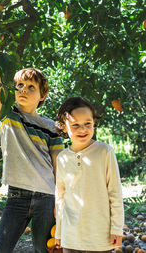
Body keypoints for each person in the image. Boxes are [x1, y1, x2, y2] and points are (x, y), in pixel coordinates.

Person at [0, 68, 64, 253]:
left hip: (46, 197)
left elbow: (58, 167)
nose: (23, 90)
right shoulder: (8, 114)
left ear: (42, 95)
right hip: (17, 197)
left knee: (44, 249)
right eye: (20, 85)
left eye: (31, 87)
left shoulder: (52, 127)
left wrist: (60, 203)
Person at [54, 97, 124, 253]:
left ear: (94, 122)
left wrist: (117, 228)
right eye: (75, 125)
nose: (82, 129)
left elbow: (115, 193)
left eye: (87, 124)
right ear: (64, 127)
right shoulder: (62, 158)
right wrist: (59, 233)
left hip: (100, 236)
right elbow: (60, 197)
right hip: (71, 236)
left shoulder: (104, 151)